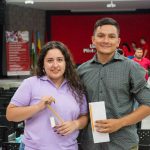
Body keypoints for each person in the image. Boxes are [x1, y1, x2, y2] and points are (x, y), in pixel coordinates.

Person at [77, 17, 150, 150]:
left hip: (123, 144)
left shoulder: (131, 68)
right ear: (93, 40)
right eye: (101, 36)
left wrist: (120, 123)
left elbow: (148, 104)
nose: (106, 40)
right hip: (91, 144)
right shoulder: (82, 71)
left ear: (118, 41)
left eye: (111, 36)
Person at [6, 41, 88, 150]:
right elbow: (10, 114)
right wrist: (38, 107)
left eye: (59, 60)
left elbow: (84, 117)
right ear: (43, 64)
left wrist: (76, 124)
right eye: (50, 60)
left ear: (66, 63)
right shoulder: (30, 83)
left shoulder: (76, 87)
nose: (55, 65)